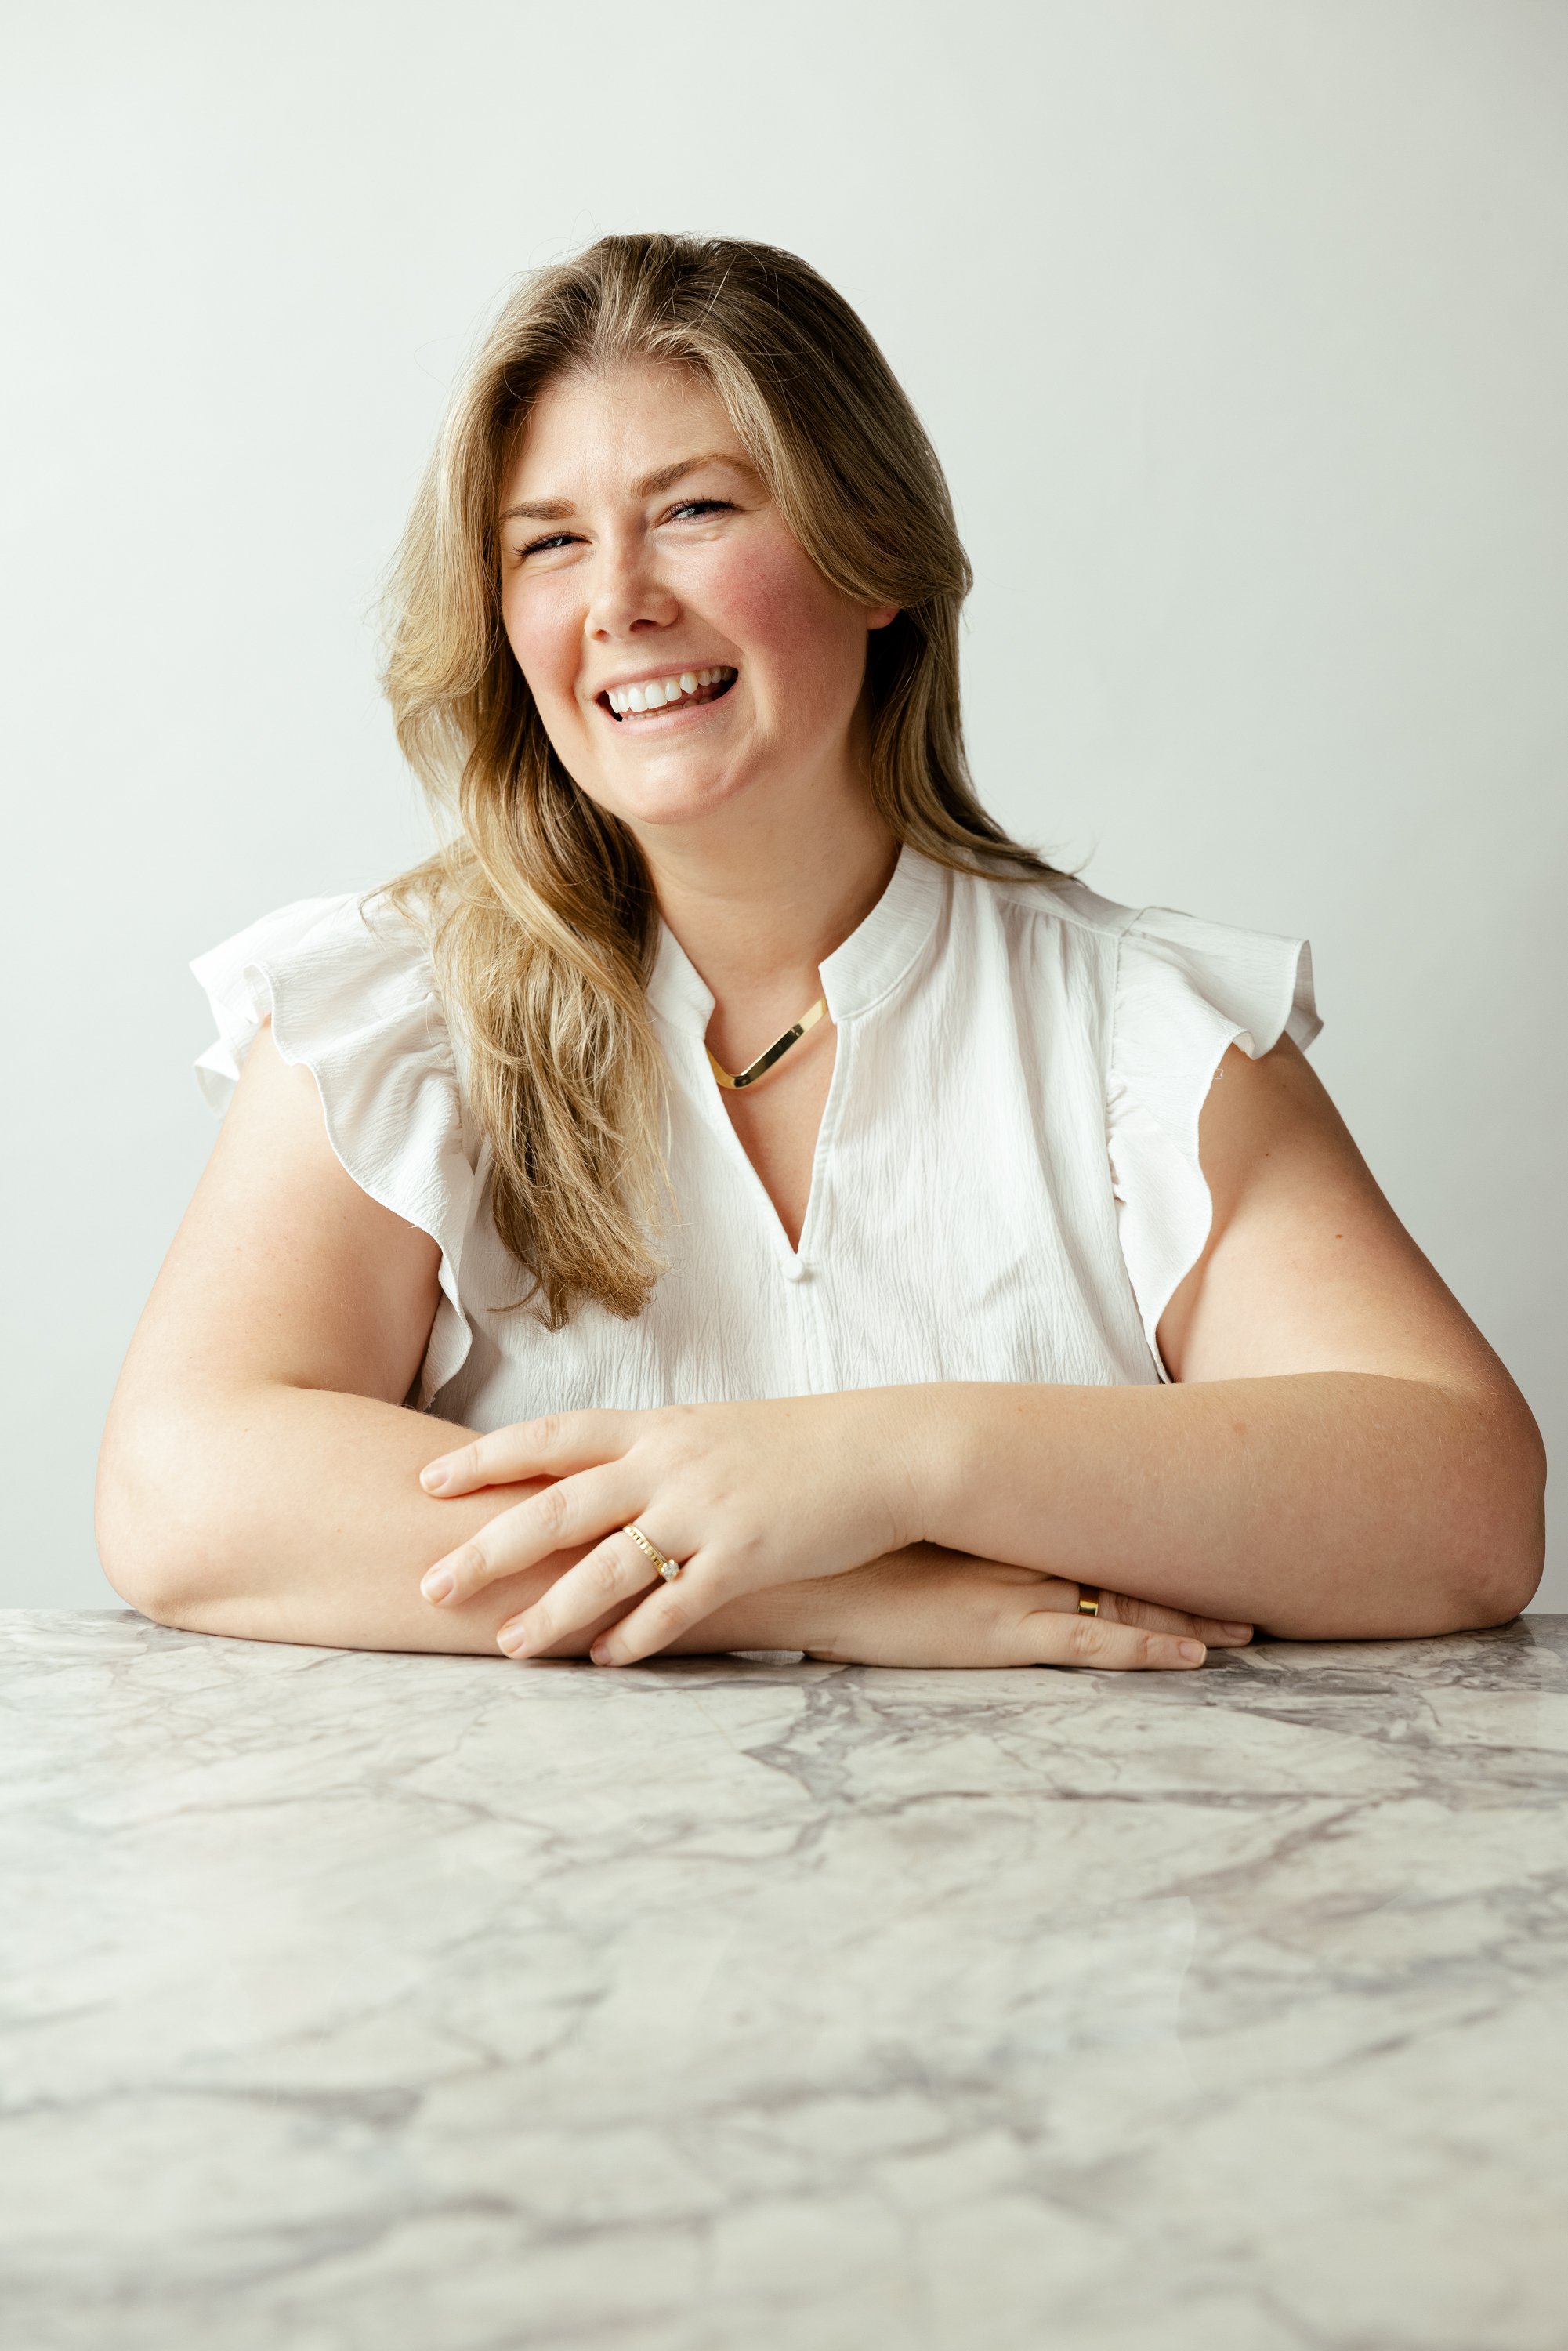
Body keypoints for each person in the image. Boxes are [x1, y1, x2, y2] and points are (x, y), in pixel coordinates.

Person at [96, 234, 1544, 1672]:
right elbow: (179, 1493)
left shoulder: (1131, 1029)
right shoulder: (395, 1015)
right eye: (549, 542)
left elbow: (1462, 1508)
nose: (618, 600)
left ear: (874, 562)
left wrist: (890, 1464)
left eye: (695, 510)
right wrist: (802, 1592)